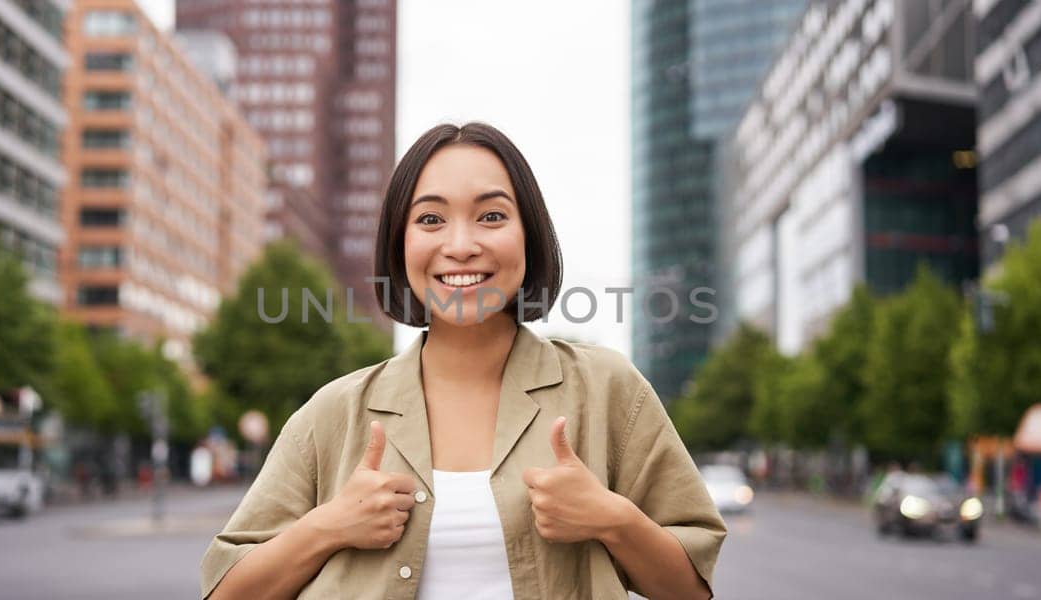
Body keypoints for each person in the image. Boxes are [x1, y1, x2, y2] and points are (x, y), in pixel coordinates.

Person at [199, 123, 725, 599]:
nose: (461, 244)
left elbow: (691, 590)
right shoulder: (334, 412)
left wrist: (613, 520)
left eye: (491, 216)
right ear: (399, 245)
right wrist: (328, 526)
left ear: (529, 235)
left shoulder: (608, 389)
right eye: (430, 219)